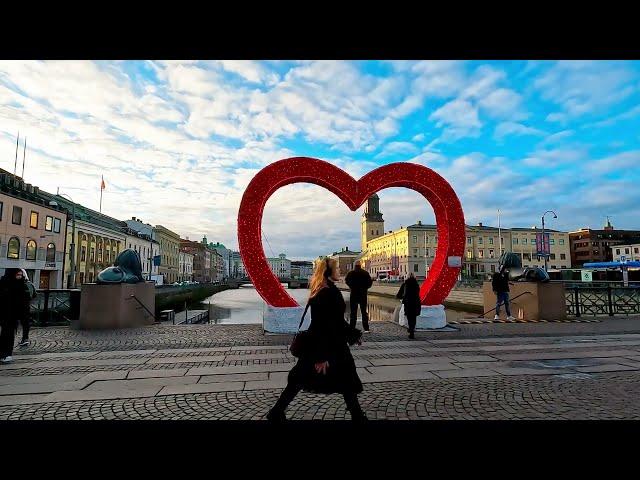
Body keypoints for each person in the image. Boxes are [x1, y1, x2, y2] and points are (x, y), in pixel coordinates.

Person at [266, 257, 367, 422]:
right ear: (328, 272)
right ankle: (276, 412)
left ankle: (357, 416)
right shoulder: (326, 292)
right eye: (337, 268)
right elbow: (323, 325)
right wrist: (321, 357)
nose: (339, 271)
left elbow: (336, 321)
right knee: (302, 379)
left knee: (343, 380)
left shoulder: (325, 289)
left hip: (329, 344)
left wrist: (353, 335)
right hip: (326, 346)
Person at [0, 268, 32, 363]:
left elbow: (25, 300)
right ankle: (4, 354)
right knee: (5, 334)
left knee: (9, 335)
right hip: (5, 314)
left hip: (14, 315)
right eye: (17, 274)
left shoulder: (22, 285)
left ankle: (7, 354)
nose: (19, 276)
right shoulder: (4, 284)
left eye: (20, 275)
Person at [344, 260, 373, 333]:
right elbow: (370, 283)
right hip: (363, 295)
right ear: (360, 265)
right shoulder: (365, 273)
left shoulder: (351, 273)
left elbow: (346, 281)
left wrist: (351, 286)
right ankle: (366, 328)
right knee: (364, 312)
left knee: (353, 312)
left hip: (353, 294)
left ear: (354, 266)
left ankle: (352, 328)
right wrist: (365, 287)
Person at [396, 272, 421, 339]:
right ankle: (412, 329)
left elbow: (398, 295)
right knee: (414, 317)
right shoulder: (416, 284)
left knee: (409, 317)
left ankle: (411, 330)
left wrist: (402, 298)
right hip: (416, 303)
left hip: (408, 303)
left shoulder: (405, 284)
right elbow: (418, 294)